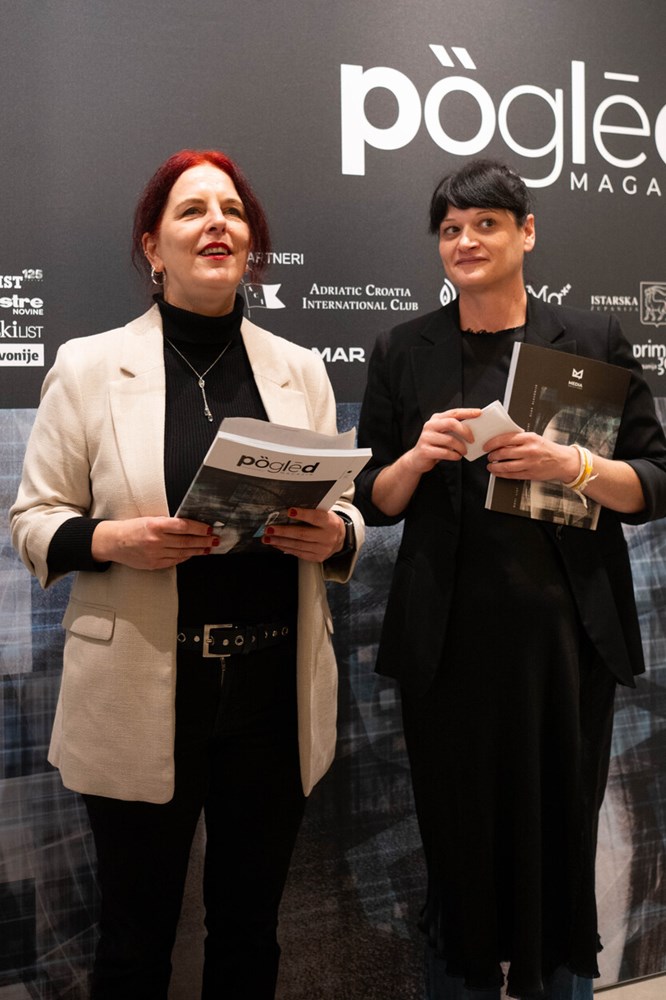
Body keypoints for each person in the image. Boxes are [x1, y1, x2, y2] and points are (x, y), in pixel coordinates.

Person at [10, 149, 364, 1000]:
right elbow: (33, 520)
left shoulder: (300, 370)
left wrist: (333, 536)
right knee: (135, 941)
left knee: (249, 930)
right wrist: (113, 541)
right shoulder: (89, 366)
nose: (218, 224)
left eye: (233, 211)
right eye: (193, 210)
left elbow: (346, 510)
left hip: (273, 693)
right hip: (139, 685)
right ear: (153, 246)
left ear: (252, 244)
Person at [354, 158, 666, 1000]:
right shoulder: (403, 349)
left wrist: (573, 466)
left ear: (526, 233)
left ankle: (557, 984)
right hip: (446, 647)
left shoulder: (592, 342)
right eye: (450, 229)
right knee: (456, 847)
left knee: (559, 843)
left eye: (486, 223)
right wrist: (416, 457)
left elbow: (654, 484)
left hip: (564, 645)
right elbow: (372, 502)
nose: (466, 240)